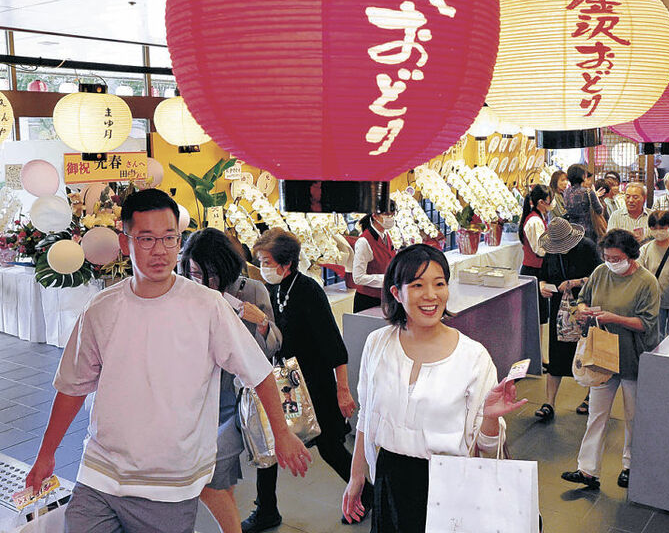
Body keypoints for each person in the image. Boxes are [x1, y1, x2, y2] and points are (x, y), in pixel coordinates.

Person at [26, 189, 311, 533]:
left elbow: (258, 372)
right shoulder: (101, 309)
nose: (160, 251)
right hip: (101, 472)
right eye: (146, 239)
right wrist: (46, 454)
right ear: (125, 241)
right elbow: (72, 387)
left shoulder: (207, 306)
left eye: (169, 238)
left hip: (170, 482)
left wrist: (282, 434)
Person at [341, 244, 527, 531]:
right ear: (396, 293)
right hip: (389, 481)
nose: (431, 295)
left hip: (450, 486)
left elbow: (488, 448)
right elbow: (367, 415)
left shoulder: (472, 356)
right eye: (417, 285)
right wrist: (356, 478)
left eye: (439, 284)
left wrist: (490, 417)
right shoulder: (378, 343)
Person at [244, 228, 366, 532]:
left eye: (267, 261)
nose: (264, 268)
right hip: (282, 382)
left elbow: (333, 345)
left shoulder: (308, 290)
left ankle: (367, 494)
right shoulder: (269, 290)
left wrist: (343, 390)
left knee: (330, 447)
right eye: (260, 261)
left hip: (315, 384)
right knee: (270, 446)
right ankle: (267, 510)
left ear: (286, 264)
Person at [179, 229, 283, 533]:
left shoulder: (251, 291)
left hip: (240, 401)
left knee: (207, 475)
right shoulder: (185, 293)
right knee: (219, 476)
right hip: (198, 399)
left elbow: (272, 348)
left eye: (209, 274)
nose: (201, 281)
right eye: (194, 272)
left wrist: (261, 323)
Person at [561, 230, 659, 490]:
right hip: (601, 355)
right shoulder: (600, 273)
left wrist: (613, 317)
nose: (612, 262)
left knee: (633, 416)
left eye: (617, 258)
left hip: (633, 357)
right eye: (607, 257)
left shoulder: (647, 282)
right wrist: (582, 311)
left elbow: (646, 324)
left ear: (630, 255)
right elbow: (583, 300)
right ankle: (587, 470)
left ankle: (630, 465)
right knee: (596, 414)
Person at [535, 218, 602, 421]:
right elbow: (543, 275)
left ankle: (591, 397)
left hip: (585, 307)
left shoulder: (587, 247)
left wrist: (574, 282)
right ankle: (549, 402)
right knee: (556, 355)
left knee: (588, 353)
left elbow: (599, 276)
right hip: (560, 312)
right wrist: (542, 286)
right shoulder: (552, 250)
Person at [351, 203, 397, 313]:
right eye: (386, 214)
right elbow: (358, 277)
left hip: (385, 298)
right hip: (368, 301)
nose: (390, 218)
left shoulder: (386, 235)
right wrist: (386, 279)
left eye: (392, 214)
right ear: (375, 216)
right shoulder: (364, 241)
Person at [519, 184, 552, 336]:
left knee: (542, 314)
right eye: (549, 201)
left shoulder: (539, 218)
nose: (551, 204)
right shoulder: (534, 221)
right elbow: (540, 249)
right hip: (534, 271)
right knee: (536, 315)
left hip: (538, 269)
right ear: (541, 202)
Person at [563, 163, 605, 242]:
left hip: (571, 230)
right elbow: (599, 210)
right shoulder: (588, 192)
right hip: (587, 231)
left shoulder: (566, 192)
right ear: (582, 176)